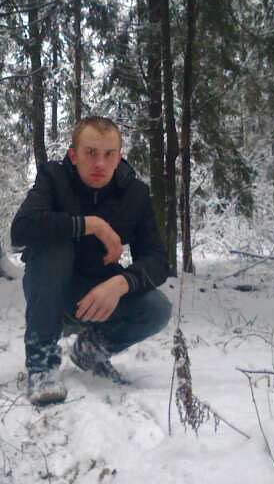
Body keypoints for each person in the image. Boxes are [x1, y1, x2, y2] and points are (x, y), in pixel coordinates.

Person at [11, 116, 171, 405]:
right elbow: (21, 229)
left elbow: (158, 260)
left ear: (119, 157)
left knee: (157, 309)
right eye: (90, 153)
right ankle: (41, 364)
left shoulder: (135, 194)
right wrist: (90, 224)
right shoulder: (53, 178)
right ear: (73, 155)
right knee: (54, 246)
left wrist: (121, 283)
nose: (100, 163)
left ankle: (89, 351)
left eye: (109, 154)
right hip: (50, 294)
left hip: (99, 295)